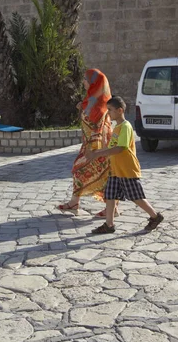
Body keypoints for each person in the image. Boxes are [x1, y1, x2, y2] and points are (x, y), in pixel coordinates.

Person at [87, 95, 164, 234]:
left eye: (110, 110)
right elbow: (111, 148)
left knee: (136, 197)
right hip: (116, 170)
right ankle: (109, 225)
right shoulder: (117, 128)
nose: (108, 113)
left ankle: (155, 216)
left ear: (120, 110)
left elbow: (120, 148)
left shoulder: (126, 127)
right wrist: (97, 152)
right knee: (110, 195)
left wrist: (97, 154)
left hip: (127, 170)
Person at [58, 69, 115, 216]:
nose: (83, 81)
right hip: (89, 145)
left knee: (99, 174)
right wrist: (81, 106)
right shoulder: (92, 99)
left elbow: (98, 127)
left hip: (96, 147)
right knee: (83, 172)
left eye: (85, 79)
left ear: (94, 82)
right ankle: (74, 202)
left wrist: (94, 150)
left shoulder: (98, 104)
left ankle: (112, 209)